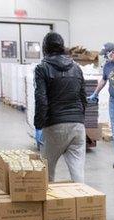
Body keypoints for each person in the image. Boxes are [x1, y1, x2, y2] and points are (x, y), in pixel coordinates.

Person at [34, 32, 86, 182]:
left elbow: (41, 99)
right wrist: (80, 119)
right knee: (78, 174)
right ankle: (82, 201)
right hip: (77, 125)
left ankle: (52, 205)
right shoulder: (76, 68)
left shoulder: (42, 68)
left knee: (47, 173)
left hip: (54, 125)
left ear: (45, 48)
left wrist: (39, 124)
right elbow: (83, 97)